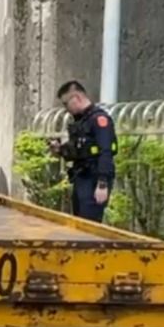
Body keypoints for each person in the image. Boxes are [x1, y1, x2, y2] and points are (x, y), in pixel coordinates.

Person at [49, 80, 117, 222]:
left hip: (94, 179)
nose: (66, 109)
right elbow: (80, 150)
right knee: (79, 221)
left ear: (77, 98)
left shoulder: (99, 119)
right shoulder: (82, 122)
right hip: (82, 177)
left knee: (89, 223)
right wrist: (60, 149)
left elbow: (106, 152)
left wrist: (102, 184)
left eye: (66, 104)